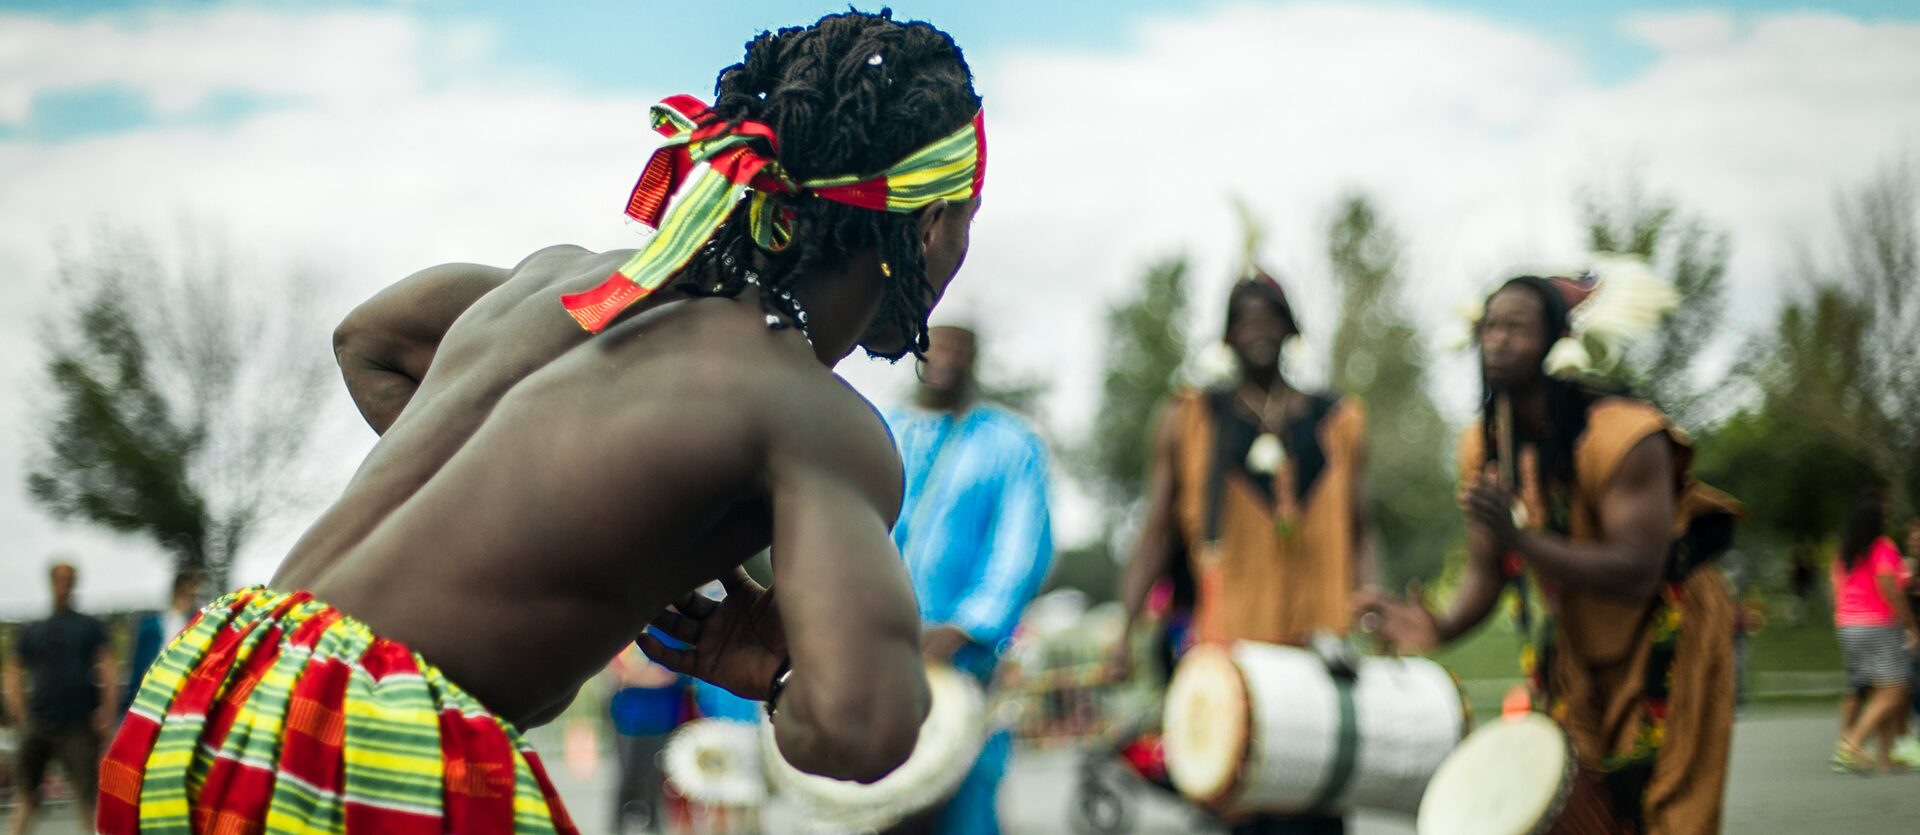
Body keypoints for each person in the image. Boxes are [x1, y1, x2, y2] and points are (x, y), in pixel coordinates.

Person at [98, 10, 987, 834]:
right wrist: (777, 674)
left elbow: (372, 339)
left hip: (217, 683)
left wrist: (532, 516)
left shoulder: (565, 280)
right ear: (929, 222)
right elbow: (863, 724)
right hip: (369, 743)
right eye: (968, 220)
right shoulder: (813, 415)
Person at [1358, 270, 1740, 834]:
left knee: (1668, 808)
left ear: (1557, 341)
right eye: (1490, 326)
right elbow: (1489, 570)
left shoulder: (1625, 434)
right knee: (1580, 808)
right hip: (1577, 644)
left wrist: (1521, 540)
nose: (1499, 338)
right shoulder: (1484, 444)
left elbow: (1637, 571)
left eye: (1517, 327)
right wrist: (1438, 625)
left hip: (1670, 629)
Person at [1113, 269, 1375, 835]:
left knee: (1319, 803)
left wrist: (1371, 606)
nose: (1258, 330)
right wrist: (1124, 625)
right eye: (1244, 320)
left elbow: (1361, 526)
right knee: (1236, 801)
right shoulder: (1189, 416)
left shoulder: (1340, 418)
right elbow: (1157, 530)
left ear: (1291, 328)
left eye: (1270, 318)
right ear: (1226, 336)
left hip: (1319, 640)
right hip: (1231, 644)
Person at [884, 324, 1055, 835]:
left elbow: (1022, 546)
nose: (946, 357)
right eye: (935, 344)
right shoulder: (879, 429)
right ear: (916, 351)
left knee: (966, 804)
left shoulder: (1011, 443)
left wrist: (964, 627)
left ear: (974, 360)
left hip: (966, 663)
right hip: (879, 656)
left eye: (960, 348)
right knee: (874, 798)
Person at [4, 562, 116, 835]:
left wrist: (107, 712)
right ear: (52, 581)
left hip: (78, 723)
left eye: (68, 578)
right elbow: (12, 670)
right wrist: (20, 714)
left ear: (74, 582)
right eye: (59, 578)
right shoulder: (34, 629)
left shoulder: (89, 626)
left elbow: (108, 668)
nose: (63, 583)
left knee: (87, 797)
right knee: (26, 796)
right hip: (39, 720)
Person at [1829, 495, 1918, 773]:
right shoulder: (1882, 547)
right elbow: (1889, 585)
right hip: (1878, 623)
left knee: (1878, 690)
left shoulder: (1845, 551)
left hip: (1849, 625)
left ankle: (1885, 755)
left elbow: (1837, 586)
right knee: (1895, 691)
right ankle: (1851, 744)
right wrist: (1911, 625)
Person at [120, 571, 201, 716]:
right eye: (189, 594)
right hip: (153, 693)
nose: (191, 600)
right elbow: (139, 665)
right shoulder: (152, 625)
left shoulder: (198, 624)